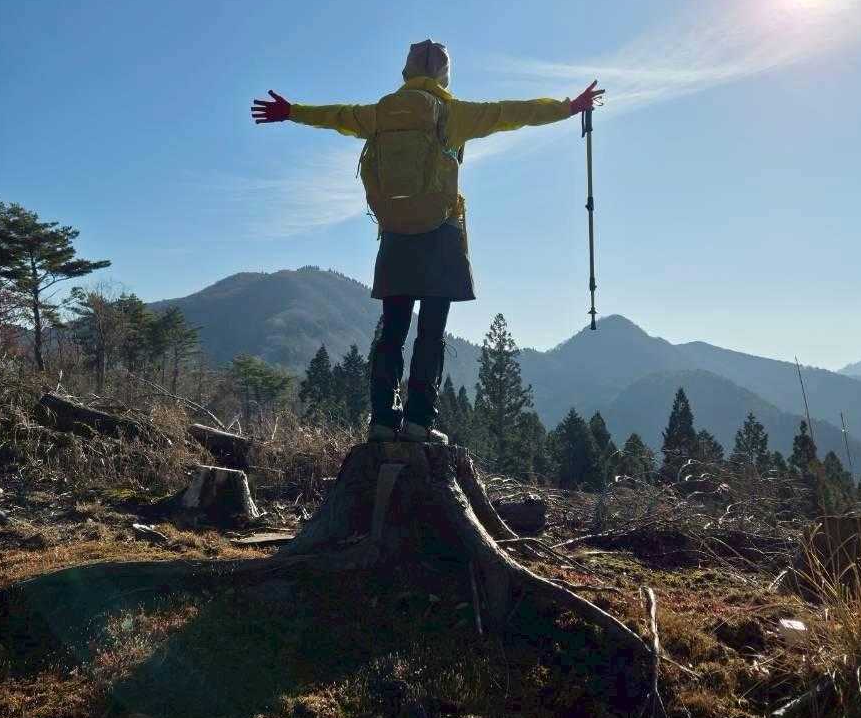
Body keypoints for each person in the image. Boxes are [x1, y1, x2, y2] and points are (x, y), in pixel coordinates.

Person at [252, 39, 603, 443]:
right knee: (431, 333)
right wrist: (568, 107)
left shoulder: (380, 114)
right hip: (441, 234)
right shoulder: (454, 113)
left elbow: (336, 115)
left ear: (407, 71)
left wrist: (291, 111)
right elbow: (512, 112)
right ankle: (419, 421)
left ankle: (382, 420)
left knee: (392, 331)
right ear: (443, 74)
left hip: (395, 235)